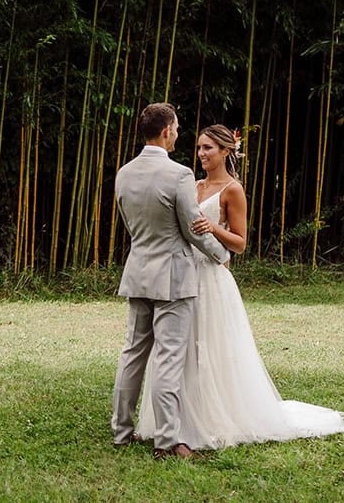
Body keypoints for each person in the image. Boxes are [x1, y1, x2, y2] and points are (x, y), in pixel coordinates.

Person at [136, 123, 344, 449]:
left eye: (208, 148)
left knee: (210, 348)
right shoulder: (193, 185)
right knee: (181, 349)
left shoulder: (233, 190)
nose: (201, 154)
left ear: (226, 151)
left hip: (212, 279)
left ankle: (212, 417)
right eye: (199, 148)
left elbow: (240, 243)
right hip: (184, 274)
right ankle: (178, 419)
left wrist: (213, 227)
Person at [111, 103, 230, 461]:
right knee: (168, 357)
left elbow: (131, 225)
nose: (178, 134)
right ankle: (166, 441)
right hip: (173, 277)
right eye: (176, 128)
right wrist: (221, 255)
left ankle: (121, 432)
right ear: (166, 131)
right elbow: (193, 228)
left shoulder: (124, 173)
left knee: (132, 353)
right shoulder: (179, 174)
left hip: (138, 272)